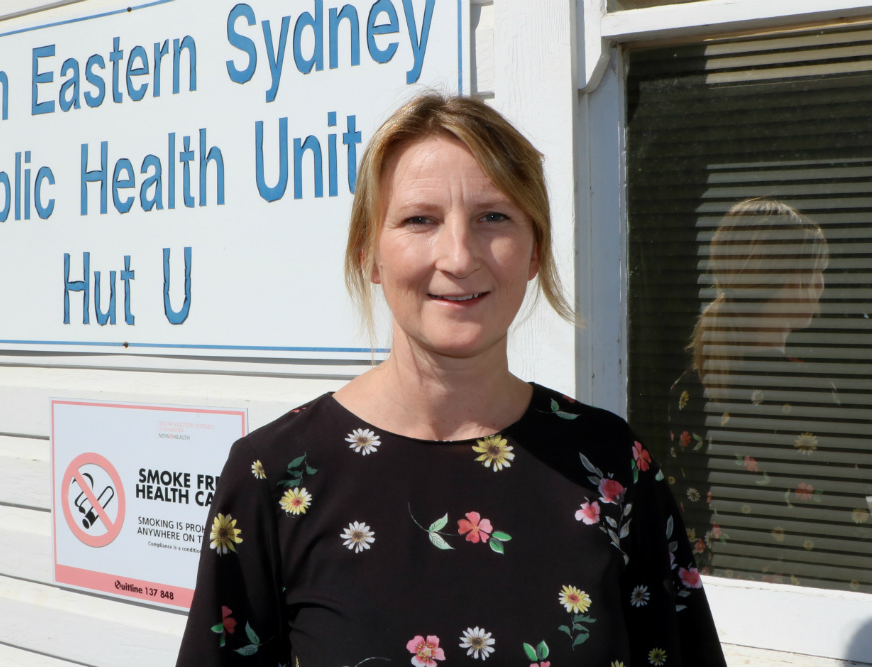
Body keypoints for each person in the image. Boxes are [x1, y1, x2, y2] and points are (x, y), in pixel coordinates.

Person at [177, 93, 725, 666]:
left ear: (534, 249)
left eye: (494, 217)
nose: (459, 256)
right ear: (369, 254)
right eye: (420, 220)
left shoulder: (612, 466)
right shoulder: (274, 477)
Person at [666, 197, 838, 581]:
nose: (823, 283)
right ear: (796, 280)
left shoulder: (689, 386)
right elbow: (840, 515)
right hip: (794, 604)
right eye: (818, 270)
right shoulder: (806, 389)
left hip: (711, 594)